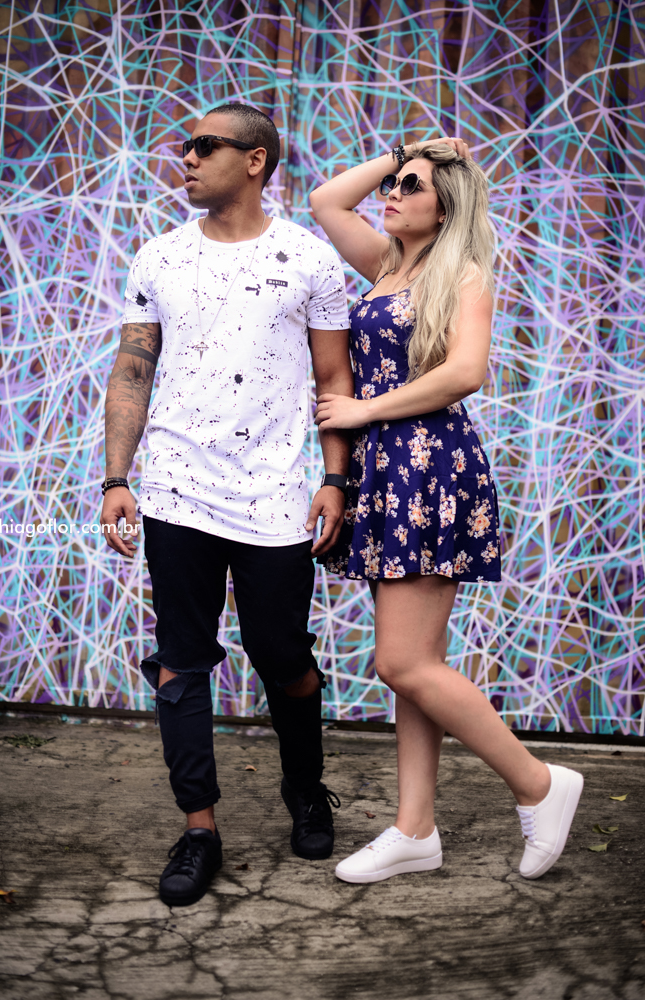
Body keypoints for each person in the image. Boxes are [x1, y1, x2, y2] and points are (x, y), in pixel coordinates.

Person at [309, 140, 583, 884]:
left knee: (401, 662)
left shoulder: (460, 272)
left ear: (445, 207)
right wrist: (405, 151)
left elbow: (466, 371)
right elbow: (327, 201)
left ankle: (537, 782)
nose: (391, 194)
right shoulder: (385, 265)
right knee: (414, 666)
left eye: (410, 186)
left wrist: (363, 410)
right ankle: (415, 829)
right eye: (393, 184)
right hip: (385, 473)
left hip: (431, 468)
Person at [100, 102, 353, 907]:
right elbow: (132, 370)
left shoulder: (309, 260)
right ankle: (199, 829)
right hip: (176, 491)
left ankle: (304, 789)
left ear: (254, 161)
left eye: (204, 146)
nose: (186, 157)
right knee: (181, 662)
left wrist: (335, 478)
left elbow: (333, 380)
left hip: (275, 495)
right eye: (184, 146)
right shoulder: (160, 256)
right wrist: (115, 478)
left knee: (283, 657)